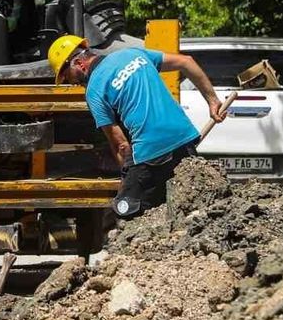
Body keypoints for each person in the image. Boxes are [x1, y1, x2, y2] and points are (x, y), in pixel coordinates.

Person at [47, 35, 227, 220]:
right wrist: (212, 101)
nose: (70, 82)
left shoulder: (94, 90)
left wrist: (127, 180)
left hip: (151, 153)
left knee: (127, 210)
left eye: (66, 74)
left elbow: (120, 145)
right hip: (184, 138)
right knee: (190, 204)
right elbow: (186, 62)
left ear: (79, 63)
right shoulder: (132, 54)